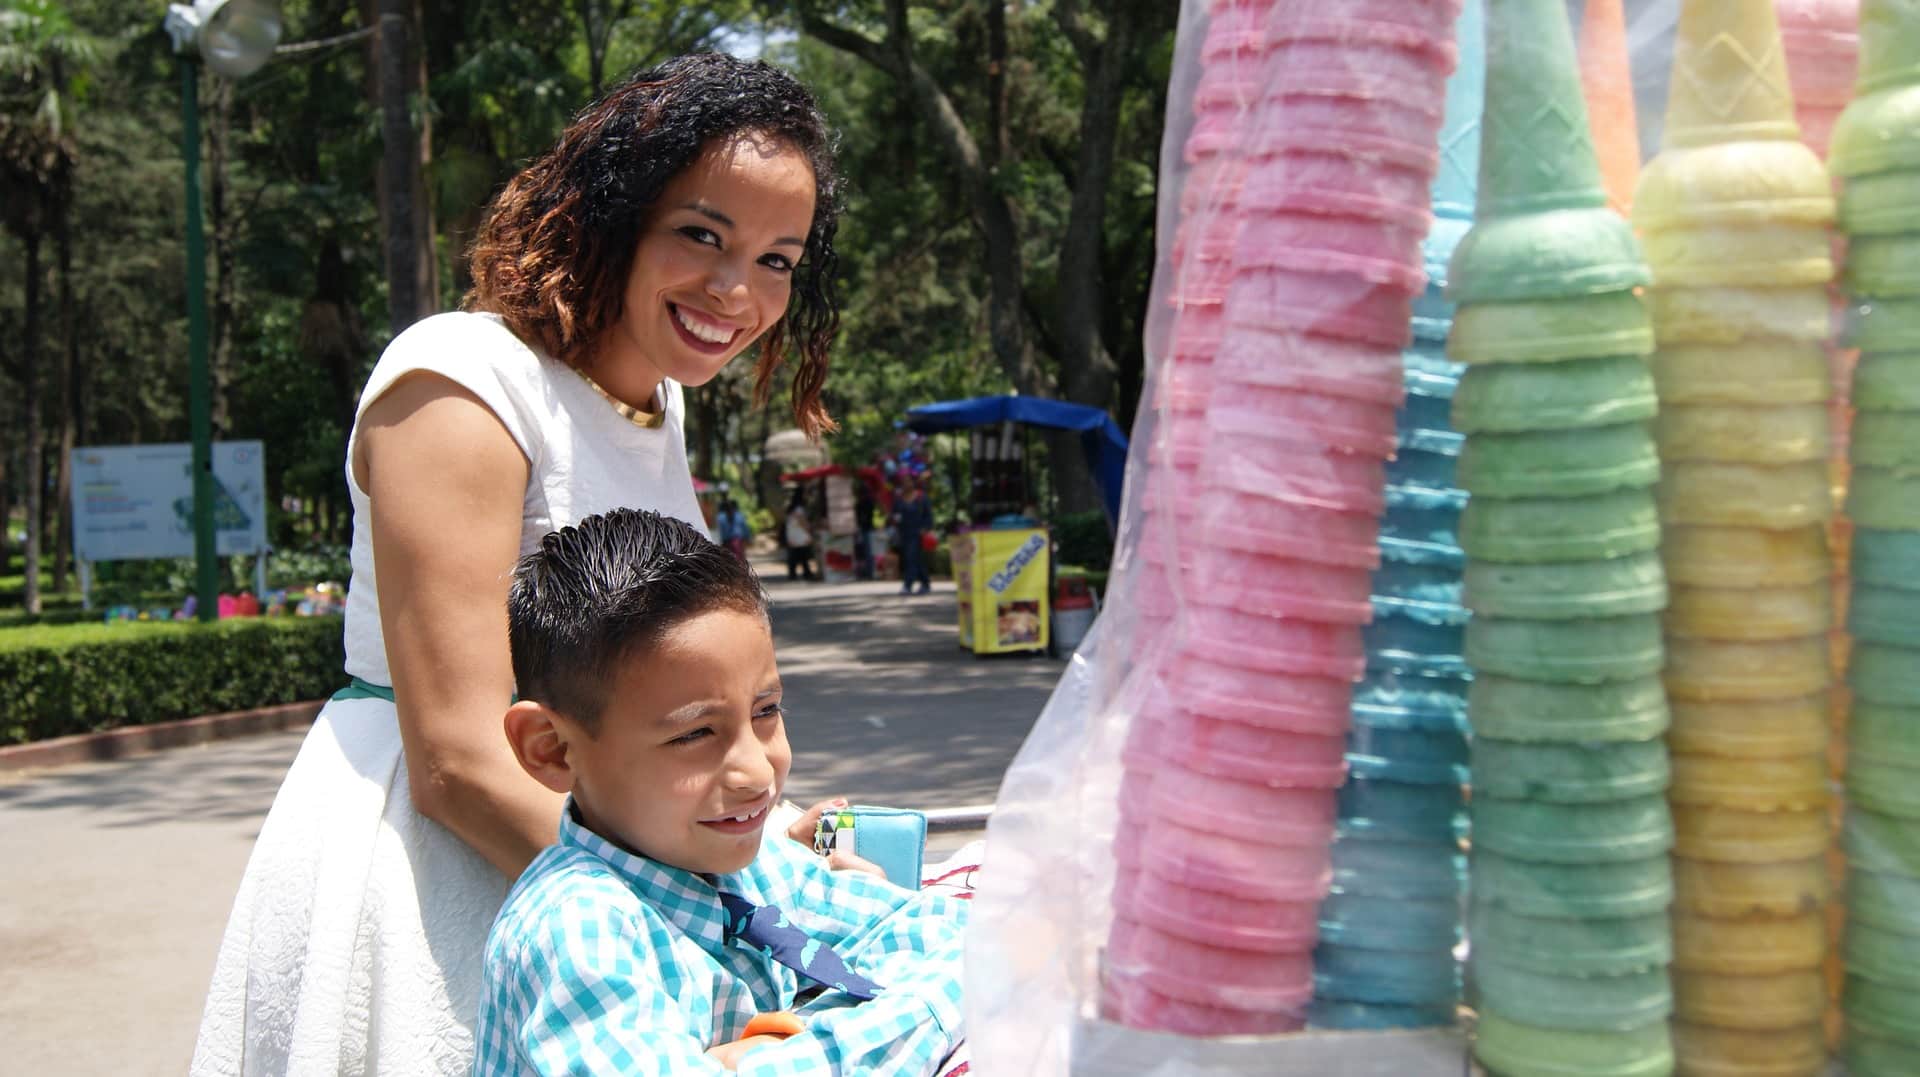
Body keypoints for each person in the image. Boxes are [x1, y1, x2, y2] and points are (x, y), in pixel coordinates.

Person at [191, 53, 845, 1076]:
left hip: (612, 865)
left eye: (777, 259)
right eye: (701, 235)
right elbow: (457, 756)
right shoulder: (461, 379)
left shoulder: (659, 402)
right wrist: (684, 926)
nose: (736, 289)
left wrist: (780, 844)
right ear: (610, 213)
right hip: (440, 873)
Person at [474, 508, 967, 1074]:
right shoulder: (577, 931)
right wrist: (920, 1012)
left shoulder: (755, 869)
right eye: (695, 734)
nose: (757, 774)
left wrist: (786, 1041)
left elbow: (956, 935)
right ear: (551, 748)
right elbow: (969, 970)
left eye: (767, 711)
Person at [894, 480, 933, 595]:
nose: (906, 486)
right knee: (916, 559)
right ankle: (925, 583)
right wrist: (895, 521)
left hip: (918, 533)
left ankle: (907, 585)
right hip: (904, 533)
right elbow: (895, 515)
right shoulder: (899, 500)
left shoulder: (922, 498)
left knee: (911, 558)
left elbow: (928, 515)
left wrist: (926, 528)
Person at [784, 490, 818, 581]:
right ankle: (806, 573)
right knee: (803, 555)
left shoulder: (791, 509)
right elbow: (802, 522)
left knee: (795, 555)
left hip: (793, 534)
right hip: (800, 535)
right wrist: (809, 530)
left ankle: (794, 574)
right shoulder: (799, 509)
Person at [716, 496, 752, 563]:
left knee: (730, 560)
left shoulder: (720, 517)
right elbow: (745, 528)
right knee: (739, 558)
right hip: (736, 541)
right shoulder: (739, 515)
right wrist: (748, 538)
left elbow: (720, 531)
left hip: (728, 541)